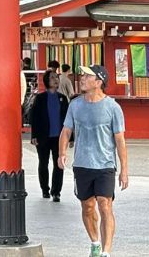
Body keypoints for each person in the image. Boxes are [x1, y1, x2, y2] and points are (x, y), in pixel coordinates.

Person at [58, 65, 129, 257]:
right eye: (82, 75)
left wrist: (124, 170)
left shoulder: (113, 107)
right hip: (82, 164)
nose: (81, 78)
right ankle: (95, 243)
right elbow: (66, 131)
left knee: (105, 205)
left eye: (87, 76)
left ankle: (106, 251)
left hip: (105, 165)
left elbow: (120, 140)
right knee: (87, 207)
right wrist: (62, 153)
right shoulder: (75, 105)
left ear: (98, 82)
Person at [30, 69, 69, 201]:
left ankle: (56, 192)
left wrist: (70, 137)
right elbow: (34, 118)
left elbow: (68, 120)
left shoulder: (63, 98)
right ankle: (45, 189)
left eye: (56, 77)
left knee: (59, 164)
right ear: (47, 81)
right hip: (43, 136)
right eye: (52, 77)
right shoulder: (40, 98)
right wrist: (34, 136)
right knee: (43, 163)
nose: (55, 79)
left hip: (59, 137)